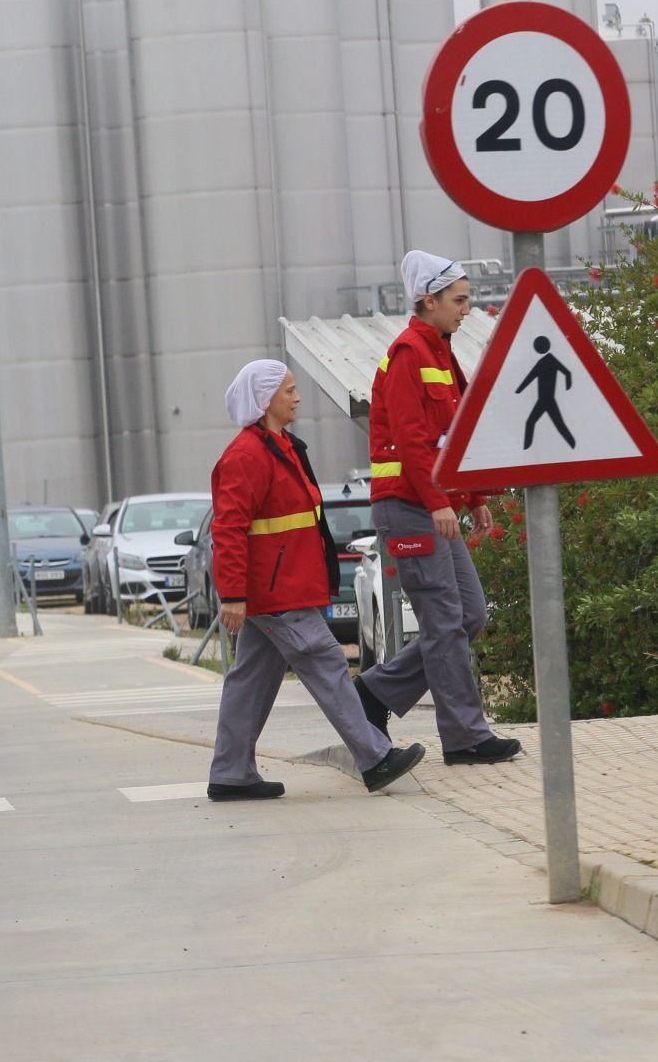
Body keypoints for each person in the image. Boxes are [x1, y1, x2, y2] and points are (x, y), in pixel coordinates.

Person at [206, 364, 426, 800]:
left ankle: (231, 773)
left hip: (282, 587)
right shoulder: (246, 456)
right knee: (327, 662)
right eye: (289, 390)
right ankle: (375, 757)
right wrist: (231, 594)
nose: (298, 397)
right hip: (276, 592)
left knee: (250, 679)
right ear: (265, 400)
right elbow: (228, 530)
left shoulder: (280, 448)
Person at [355, 252, 523, 766]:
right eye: (459, 299)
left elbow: (454, 437)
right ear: (428, 300)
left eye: (468, 299)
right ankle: (466, 738)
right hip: (408, 508)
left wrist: (472, 498)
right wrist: (439, 503)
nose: (467, 308)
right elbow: (411, 441)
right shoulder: (408, 353)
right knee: (446, 622)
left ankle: (376, 692)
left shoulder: (440, 352)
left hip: (432, 507)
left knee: (467, 614)